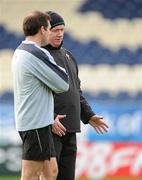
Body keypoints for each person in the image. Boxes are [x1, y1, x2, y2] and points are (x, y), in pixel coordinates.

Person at [42, 11, 109, 180]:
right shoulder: (39, 57)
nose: (59, 34)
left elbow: (76, 92)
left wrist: (88, 115)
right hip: (50, 128)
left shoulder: (68, 56)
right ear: (44, 31)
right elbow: (34, 96)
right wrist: (50, 117)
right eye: (55, 30)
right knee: (48, 176)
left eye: (62, 30)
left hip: (70, 129)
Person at [11, 11, 69, 180]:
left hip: (38, 122)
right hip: (35, 123)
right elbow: (63, 83)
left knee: (51, 172)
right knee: (31, 175)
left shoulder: (21, 50)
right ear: (43, 29)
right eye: (50, 28)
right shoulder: (35, 53)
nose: (51, 32)